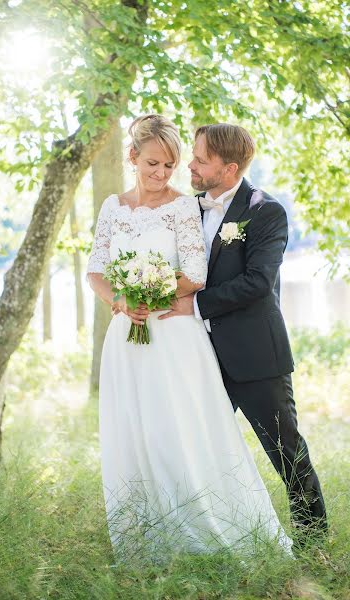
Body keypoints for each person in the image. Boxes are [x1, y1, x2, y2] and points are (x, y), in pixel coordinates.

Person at [87, 114, 292, 563]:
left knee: (177, 431)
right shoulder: (111, 207)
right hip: (126, 337)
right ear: (133, 158)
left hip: (174, 337)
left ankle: (202, 526)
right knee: (134, 432)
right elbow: (96, 270)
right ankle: (144, 535)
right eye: (153, 164)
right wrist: (122, 301)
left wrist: (148, 292)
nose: (162, 174)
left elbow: (196, 275)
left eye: (172, 165)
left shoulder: (185, 207)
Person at [159, 123, 327, 545]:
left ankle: (313, 543)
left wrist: (193, 305)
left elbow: (256, 283)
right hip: (196, 354)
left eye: (200, 159)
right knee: (193, 449)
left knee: (286, 452)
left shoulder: (265, 211)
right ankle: (202, 537)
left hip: (254, 357)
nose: (190, 166)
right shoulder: (185, 209)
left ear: (229, 167)